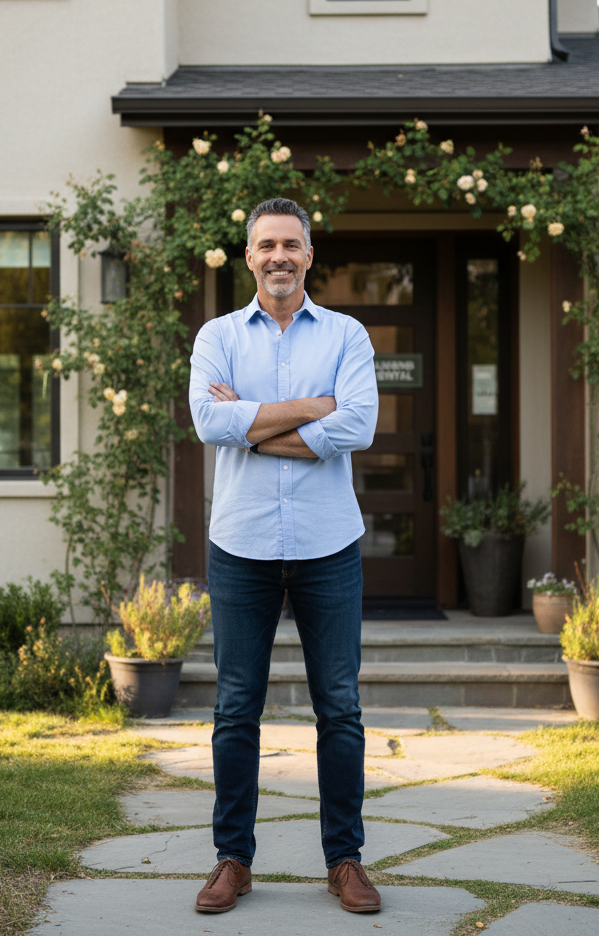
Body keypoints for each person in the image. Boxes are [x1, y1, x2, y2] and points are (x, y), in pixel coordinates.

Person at [188, 197, 381, 914]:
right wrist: (310, 407)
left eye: (291, 245)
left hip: (329, 543)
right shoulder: (216, 335)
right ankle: (232, 860)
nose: (279, 256)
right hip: (240, 545)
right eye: (266, 244)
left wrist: (253, 424)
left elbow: (358, 422)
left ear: (309, 254)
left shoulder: (346, 333)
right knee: (237, 708)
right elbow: (209, 419)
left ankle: (345, 861)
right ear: (249, 256)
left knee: (341, 707)